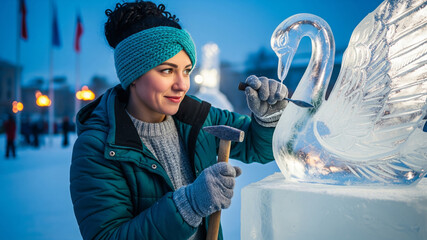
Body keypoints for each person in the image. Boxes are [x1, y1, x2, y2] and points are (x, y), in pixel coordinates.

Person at [69, 1, 289, 239]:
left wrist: (268, 118)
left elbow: (258, 148)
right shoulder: (98, 148)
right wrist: (189, 205)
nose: (182, 84)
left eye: (186, 70)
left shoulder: (199, 118)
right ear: (133, 75)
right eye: (167, 70)